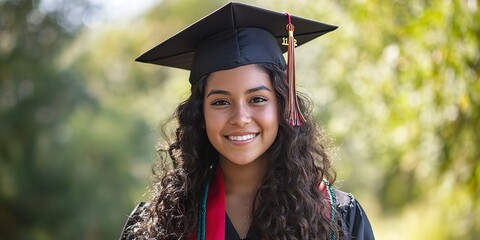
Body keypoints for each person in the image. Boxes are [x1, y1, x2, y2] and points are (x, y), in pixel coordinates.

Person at [120, 2, 374, 240]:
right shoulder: (161, 223)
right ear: (200, 115)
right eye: (221, 102)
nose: (240, 118)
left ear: (282, 107)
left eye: (257, 99)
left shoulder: (337, 217)